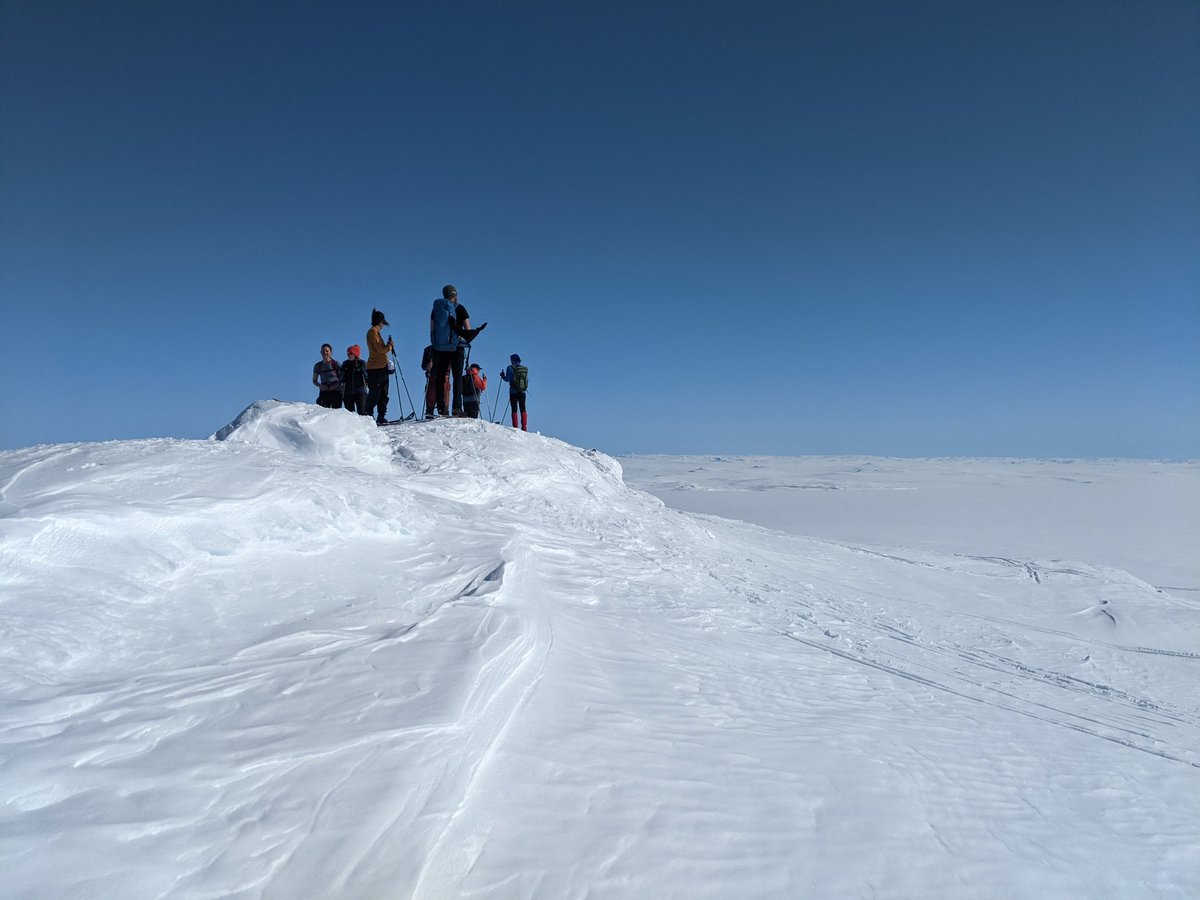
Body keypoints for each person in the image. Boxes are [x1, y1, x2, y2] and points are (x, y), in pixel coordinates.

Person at [366, 308, 395, 424]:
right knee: (375, 393)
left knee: (383, 393)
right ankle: (368, 414)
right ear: (380, 321)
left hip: (381, 367)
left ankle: (381, 416)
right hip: (375, 368)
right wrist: (389, 347)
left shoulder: (375, 332)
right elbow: (379, 349)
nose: (383, 325)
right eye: (383, 322)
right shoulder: (373, 332)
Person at [500, 353, 529, 431]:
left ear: (512, 360)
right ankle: (524, 426)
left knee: (514, 408)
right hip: (523, 391)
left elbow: (507, 379)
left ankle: (515, 426)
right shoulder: (525, 369)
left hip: (513, 391)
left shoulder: (510, 368)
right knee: (523, 408)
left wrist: (502, 376)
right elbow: (526, 380)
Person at [341, 345, 370, 415]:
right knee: (349, 415)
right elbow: (341, 377)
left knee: (362, 413)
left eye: (350, 353)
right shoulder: (345, 364)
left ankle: (366, 425)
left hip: (360, 392)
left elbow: (368, 377)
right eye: (347, 353)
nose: (348, 355)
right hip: (348, 392)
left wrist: (363, 372)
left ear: (355, 354)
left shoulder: (362, 363)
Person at [312, 344, 342, 409]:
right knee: (322, 410)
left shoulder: (336, 364)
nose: (325, 353)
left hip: (336, 391)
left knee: (336, 412)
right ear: (320, 352)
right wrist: (321, 386)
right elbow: (314, 380)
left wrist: (335, 385)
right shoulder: (318, 366)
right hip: (324, 390)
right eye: (323, 351)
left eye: (327, 351)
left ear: (330, 352)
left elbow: (343, 379)